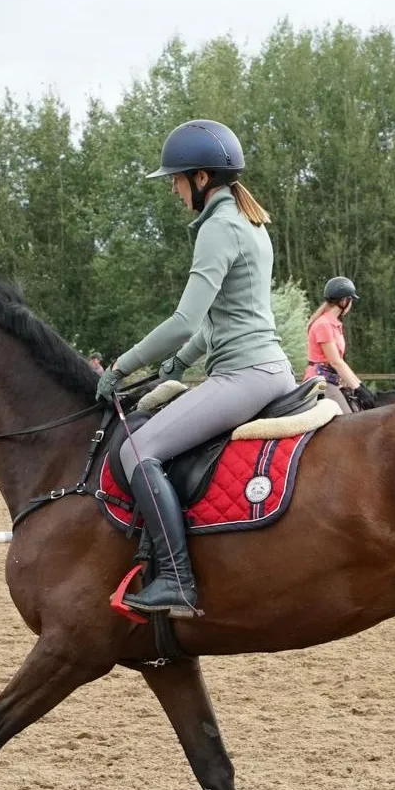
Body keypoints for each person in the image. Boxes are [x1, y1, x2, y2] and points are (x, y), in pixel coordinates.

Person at [95, 118, 293, 618]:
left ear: (201, 179)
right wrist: (175, 366)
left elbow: (185, 320)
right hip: (268, 367)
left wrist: (123, 365)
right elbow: (220, 321)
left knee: (139, 451)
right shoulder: (249, 223)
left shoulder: (218, 228)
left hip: (244, 376)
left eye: (176, 180)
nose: (174, 190)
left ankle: (178, 582)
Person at [308, 276, 377, 411]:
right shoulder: (323, 325)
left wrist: (360, 386)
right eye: (351, 301)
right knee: (348, 421)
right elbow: (335, 362)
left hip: (334, 380)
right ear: (344, 301)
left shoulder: (335, 325)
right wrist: (357, 388)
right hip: (321, 382)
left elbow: (340, 362)